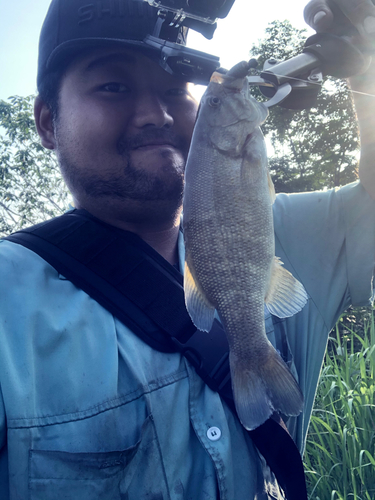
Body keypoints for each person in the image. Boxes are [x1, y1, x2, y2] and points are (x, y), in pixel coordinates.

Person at [0, 0, 374, 498]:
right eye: (113, 86)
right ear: (47, 122)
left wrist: (367, 64)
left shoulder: (283, 232)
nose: (155, 114)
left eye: (176, 89)